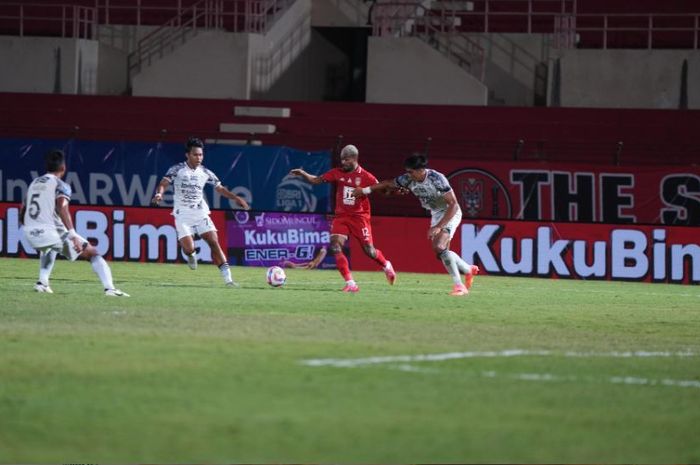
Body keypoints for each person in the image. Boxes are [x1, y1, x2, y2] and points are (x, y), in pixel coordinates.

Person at [353, 153, 479, 296]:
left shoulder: (437, 179)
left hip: (450, 212)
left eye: (411, 172)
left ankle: (459, 286)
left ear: (421, 170)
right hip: (436, 213)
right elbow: (388, 183)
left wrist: (438, 226)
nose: (408, 175)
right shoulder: (408, 179)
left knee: (439, 247)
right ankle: (468, 270)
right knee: (441, 253)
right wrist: (364, 191)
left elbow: (454, 205)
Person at [20, 149, 129, 296]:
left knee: (50, 247)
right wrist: (73, 235)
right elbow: (62, 208)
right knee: (93, 253)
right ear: (63, 168)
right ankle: (110, 289)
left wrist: (27, 226)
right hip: (49, 232)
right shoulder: (61, 185)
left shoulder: (34, 182)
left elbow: (23, 208)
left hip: (29, 232)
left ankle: (42, 283)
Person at [289, 144, 396, 292]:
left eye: (346, 160)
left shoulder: (367, 176)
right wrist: (303, 173)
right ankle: (351, 283)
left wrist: (393, 192)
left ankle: (386, 265)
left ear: (354, 159)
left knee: (369, 251)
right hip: (341, 217)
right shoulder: (337, 173)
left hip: (360, 218)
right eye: (342, 160)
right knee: (335, 246)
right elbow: (317, 180)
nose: (343, 163)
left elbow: (382, 191)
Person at [151, 137, 250, 287]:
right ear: (187, 155)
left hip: (200, 213)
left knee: (214, 242)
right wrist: (159, 194)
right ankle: (191, 255)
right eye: (195, 155)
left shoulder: (205, 172)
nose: (199, 158)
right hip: (182, 214)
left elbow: (220, 188)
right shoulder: (177, 170)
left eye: (201, 155)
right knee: (189, 248)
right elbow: (163, 183)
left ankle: (228, 280)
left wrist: (235, 198)